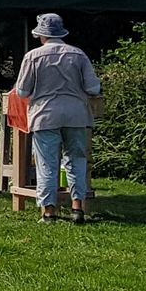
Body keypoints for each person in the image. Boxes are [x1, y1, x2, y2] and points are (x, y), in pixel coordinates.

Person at [12, 12, 102, 224]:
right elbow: (93, 87)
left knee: (46, 164)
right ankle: (77, 207)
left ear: (41, 35)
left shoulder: (33, 56)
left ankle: (49, 211)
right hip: (76, 115)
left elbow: (23, 91)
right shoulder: (78, 55)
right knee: (77, 160)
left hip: (44, 115)